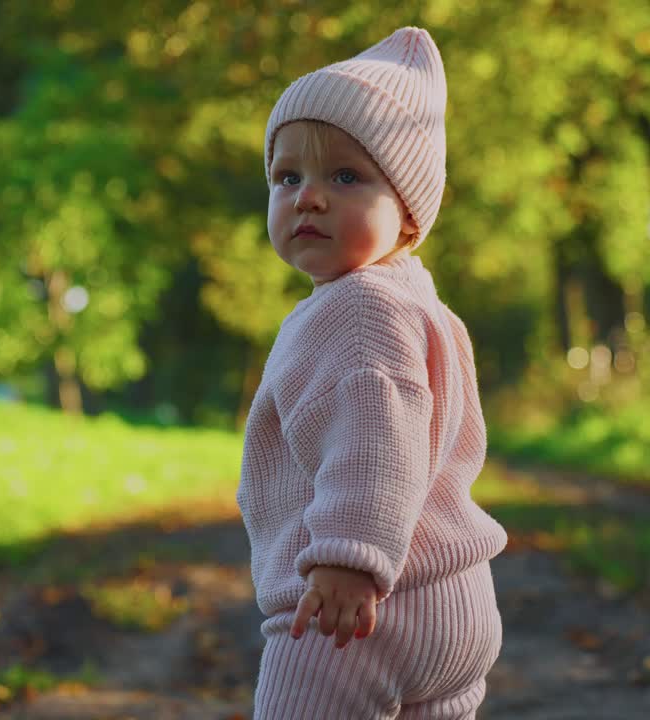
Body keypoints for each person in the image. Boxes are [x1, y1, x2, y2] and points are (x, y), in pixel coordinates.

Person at [235, 26, 510, 719]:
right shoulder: (419, 302)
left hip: (355, 607)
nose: (309, 198)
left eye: (346, 176)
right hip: (455, 601)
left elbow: (377, 436)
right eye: (287, 177)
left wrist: (349, 555)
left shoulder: (358, 306)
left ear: (410, 213)